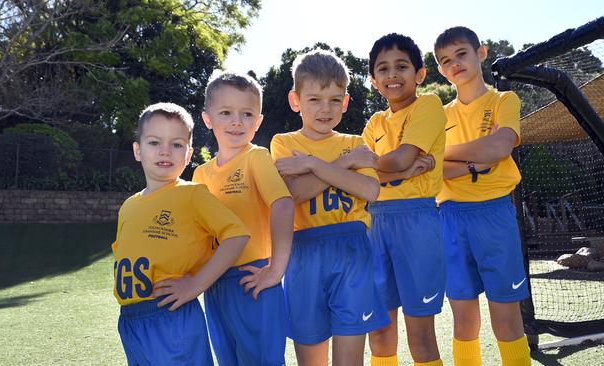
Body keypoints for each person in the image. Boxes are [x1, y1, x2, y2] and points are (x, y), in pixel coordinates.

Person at [270, 49, 390, 366]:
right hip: (304, 253)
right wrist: (345, 166)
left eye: (335, 100)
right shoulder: (283, 143)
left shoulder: (355, 143)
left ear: (346, 102)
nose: (326, 109)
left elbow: (370, 189)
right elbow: (294, 194)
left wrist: (310, 164)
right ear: (296, 100)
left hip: (353, 252)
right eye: (314, 100)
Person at [112, 102, 250, 366]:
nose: (165, 151)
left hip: (171, 315)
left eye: (176, 144)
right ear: (137, 150)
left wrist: (196, 285)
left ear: (188, 155)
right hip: (130, 321)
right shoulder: (128, 205)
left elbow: (237, 235)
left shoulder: (191, 194)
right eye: (154, 142)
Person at [434, 26, 531, 366]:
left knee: (506, 318)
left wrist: (447, 154)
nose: (454, 64)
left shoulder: (504, 100)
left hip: (494, 215)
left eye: (461, 53)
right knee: (464, 320)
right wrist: (477, 161)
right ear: (441, 70)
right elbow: (431, 170)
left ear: (481, 52)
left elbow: (501, 145)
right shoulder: (438, 115)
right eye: (446, 60)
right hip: (448, 218)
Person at [192, 70, 294, 365]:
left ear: (258, 121)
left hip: (254, 278)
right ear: (208, 119)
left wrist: (276, 269)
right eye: (226, 112)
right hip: (214, 283)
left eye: (247, 114)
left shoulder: (256, 157)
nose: (237, 121)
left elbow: (283, 205)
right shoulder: (200, 174)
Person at [363, 33, 447, 366]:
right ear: (373, 80)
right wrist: (407, 171)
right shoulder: (375, 123)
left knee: (420, 334)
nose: (392, 75)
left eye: (401, 66)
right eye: (382, 69)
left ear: (420, 74)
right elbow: (362, 175)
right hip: (374, 222)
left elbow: (395, 160)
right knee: (380, 332)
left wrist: (398, 166)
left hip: (417, 222)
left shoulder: (428, 105)